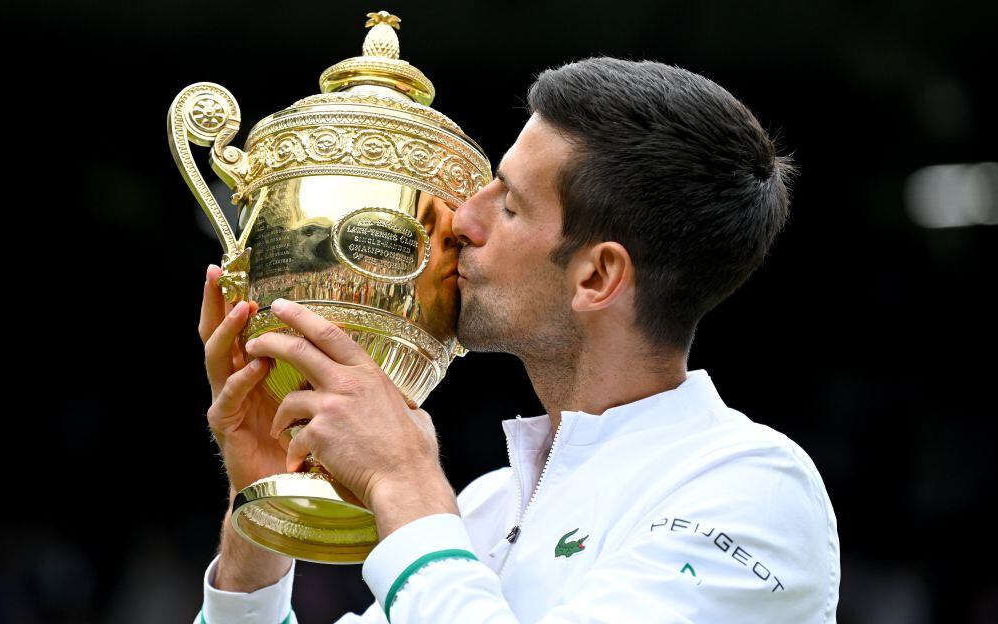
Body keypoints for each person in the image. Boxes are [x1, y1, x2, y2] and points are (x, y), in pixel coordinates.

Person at [194, 57, 840, 624]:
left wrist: (404, 482)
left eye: (509, 205)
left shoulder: (751, 492)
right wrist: (261, 525)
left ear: (597, 276)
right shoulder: (482, 510)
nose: (460, 221)